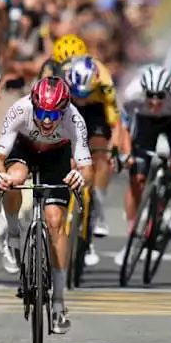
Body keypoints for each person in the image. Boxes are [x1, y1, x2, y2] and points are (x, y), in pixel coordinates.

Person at [0, 77, 93, 335]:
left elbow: (87, 167)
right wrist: (0, 176)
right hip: (23, 150)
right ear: (33, 105)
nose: (47, 120)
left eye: (54, 114)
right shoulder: (19, 109)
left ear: (64, 110)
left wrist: (80, 177)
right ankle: (13, 233)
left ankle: (58, 303)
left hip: (57, 156)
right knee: (14, 179)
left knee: (55, 221)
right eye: (42, 113)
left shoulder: (74, 119)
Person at [116, 65, 171, 260]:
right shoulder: (132, 94)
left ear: (167, 92)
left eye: (160, 96)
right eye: (150, 95)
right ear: (144, 91)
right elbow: (123, 128)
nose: (154, 101)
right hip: (145, 123)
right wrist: (126, 155)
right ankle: (132, 232)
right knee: (137, 176)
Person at [62, 55, 120, 264]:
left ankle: (99, 204)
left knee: (100, 154)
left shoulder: (104, 84)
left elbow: (114, 123)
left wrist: (113, 144)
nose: (82, 98)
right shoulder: (65, 83)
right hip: (69, 111)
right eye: (78, 94)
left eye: (85, 94)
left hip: (97, 112)